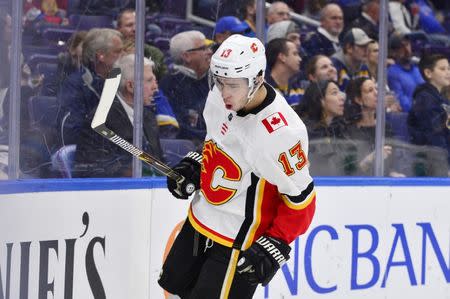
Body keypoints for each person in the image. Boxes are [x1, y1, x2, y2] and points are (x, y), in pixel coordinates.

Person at [159, 34, 316, 298]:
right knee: (172, 291)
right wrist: (197, 166)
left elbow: (303, 202)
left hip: (236, 242)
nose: (224, 93)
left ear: (257, 79)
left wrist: (276, 242)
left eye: (232, 85)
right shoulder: (219, 96)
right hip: (199, 220)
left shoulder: (282, 133)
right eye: (219, 83)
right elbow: (217, 143)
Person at [73, 54, 163, 177]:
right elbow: (92, 170)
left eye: (155, 80)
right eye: (149, 81)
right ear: (130, 86)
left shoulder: (149, 117)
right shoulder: (101, 120)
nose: (155, 87)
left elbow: (160, 163)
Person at [57, 28, 124, 145]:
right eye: (117, 52)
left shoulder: (122, 83)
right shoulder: (75, 85)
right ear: (101, 56)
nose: (123, 56)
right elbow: (71, 132)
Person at [159, 30, 212, 149]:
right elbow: (178, 127)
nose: (210, 52)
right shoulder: (169, 84)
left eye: (209, 47)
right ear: (186, 56)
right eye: (203, 48)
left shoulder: (212, 80)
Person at [344, 77, 405, 177]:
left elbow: (393, 161)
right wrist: (371, 158)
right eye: (370, 91)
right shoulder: (349, 131)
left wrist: (392, 172)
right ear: (358, 99)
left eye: (376, 89)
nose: (376, 93)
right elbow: (350, 172)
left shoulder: (385, 127)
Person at [408, 53, 450, 173]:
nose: (448, 72)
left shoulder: (440, 99)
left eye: (449, 68)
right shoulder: (425, 100)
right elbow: (434, 136)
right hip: (430, 164)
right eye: (442, 69)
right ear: (428, 73)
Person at [116, 8, 167, 80]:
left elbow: (162, 83)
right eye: (129, 25)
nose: (135, 29)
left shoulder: (155, 54)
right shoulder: (110, 52)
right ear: (118, 28)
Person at [387, 33, 424, 112]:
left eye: (407, 45)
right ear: (394, 52)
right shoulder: (392, 73)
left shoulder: (416, 69)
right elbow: (402, 102)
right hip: (412, 116)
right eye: (401, 47)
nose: (406, 50)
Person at [265, 38, 303, 107]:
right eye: (295, 54)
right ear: (282, 57)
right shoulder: (263, 90)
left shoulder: (298, 89)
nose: (300, 59)